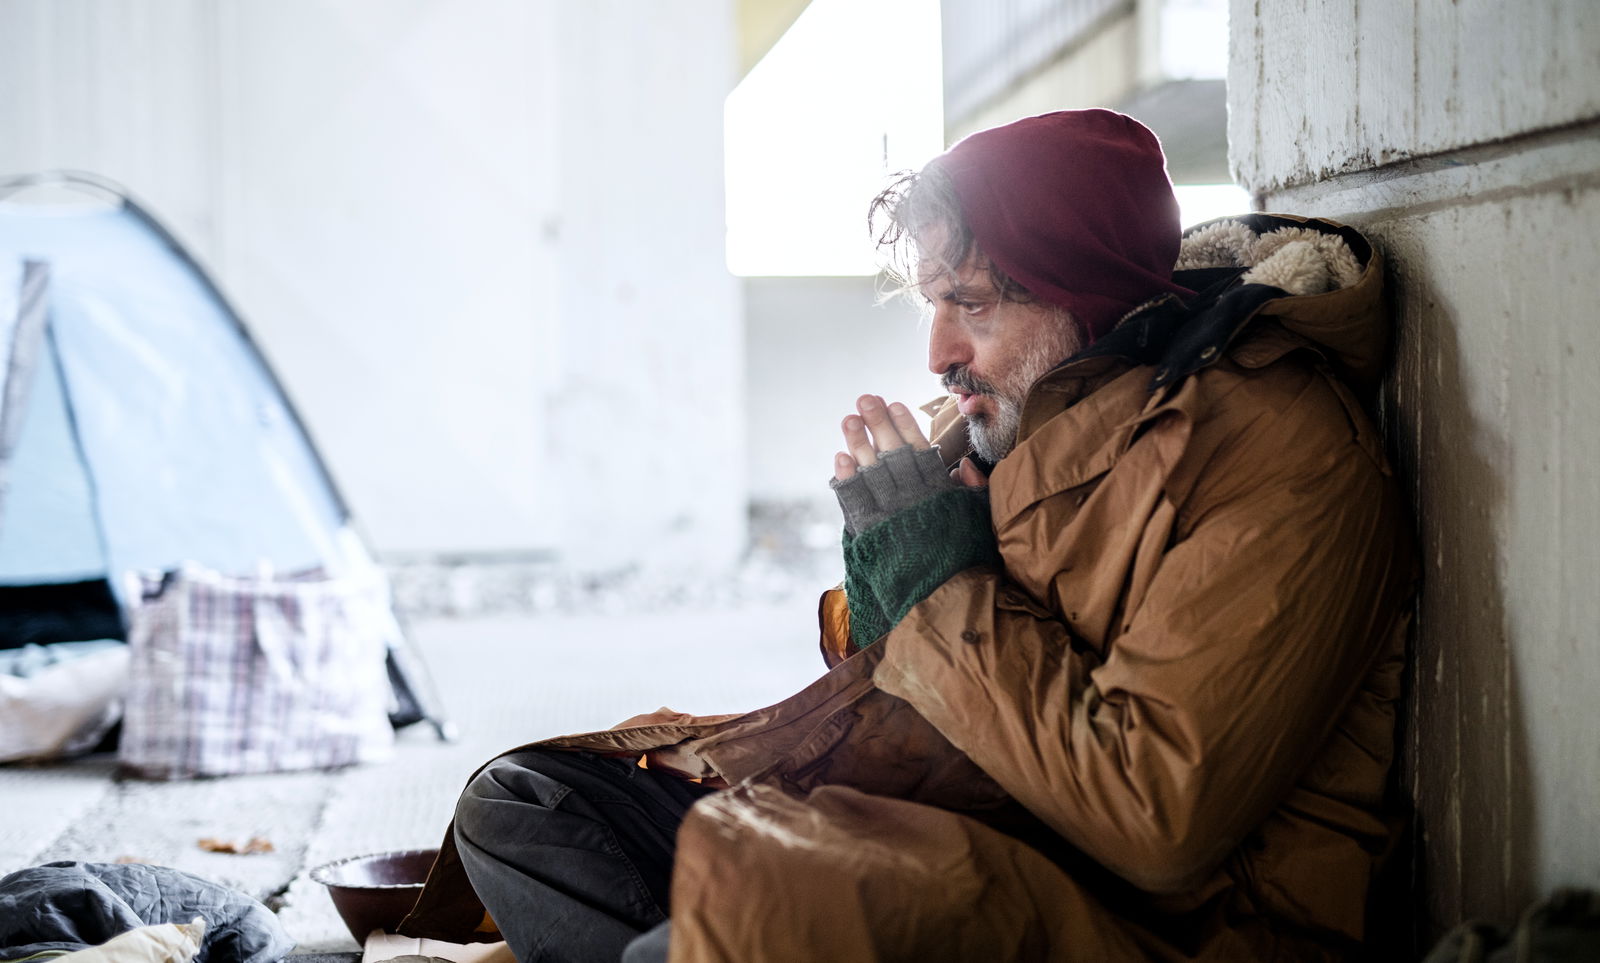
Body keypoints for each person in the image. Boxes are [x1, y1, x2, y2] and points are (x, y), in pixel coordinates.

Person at [399, 109, 1415, 962]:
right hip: (969, 826)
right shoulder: (1013, 421)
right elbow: (921, 706)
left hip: (1146, 921)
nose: (937, 351)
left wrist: (938, 585)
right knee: (522, 806)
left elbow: (1156, 827)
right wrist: (888, 582)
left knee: (734, 922)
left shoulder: (1282, 456)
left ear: (1089, 294)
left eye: (969, 304)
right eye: (932, 304)